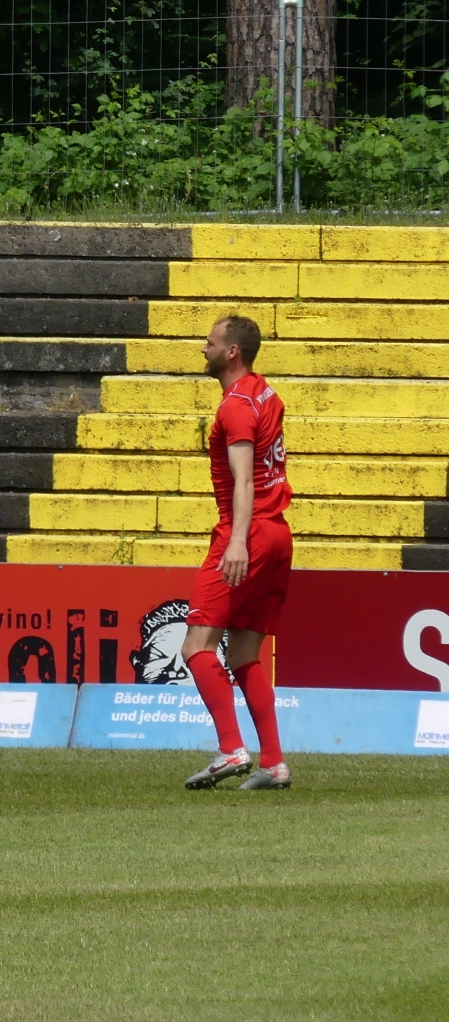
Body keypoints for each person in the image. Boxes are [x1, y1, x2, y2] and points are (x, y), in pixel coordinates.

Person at [182, 314, 293, 792]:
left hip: (248, 532)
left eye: (209, 343)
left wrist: (236, 541)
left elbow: (244, 480)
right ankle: (274, 763)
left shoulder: (236, 408)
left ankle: (231, 748)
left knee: (196, 645)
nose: (202, 349)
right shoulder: (263, 392)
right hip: (278, 533)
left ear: (231, 352)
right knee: (245, 652)